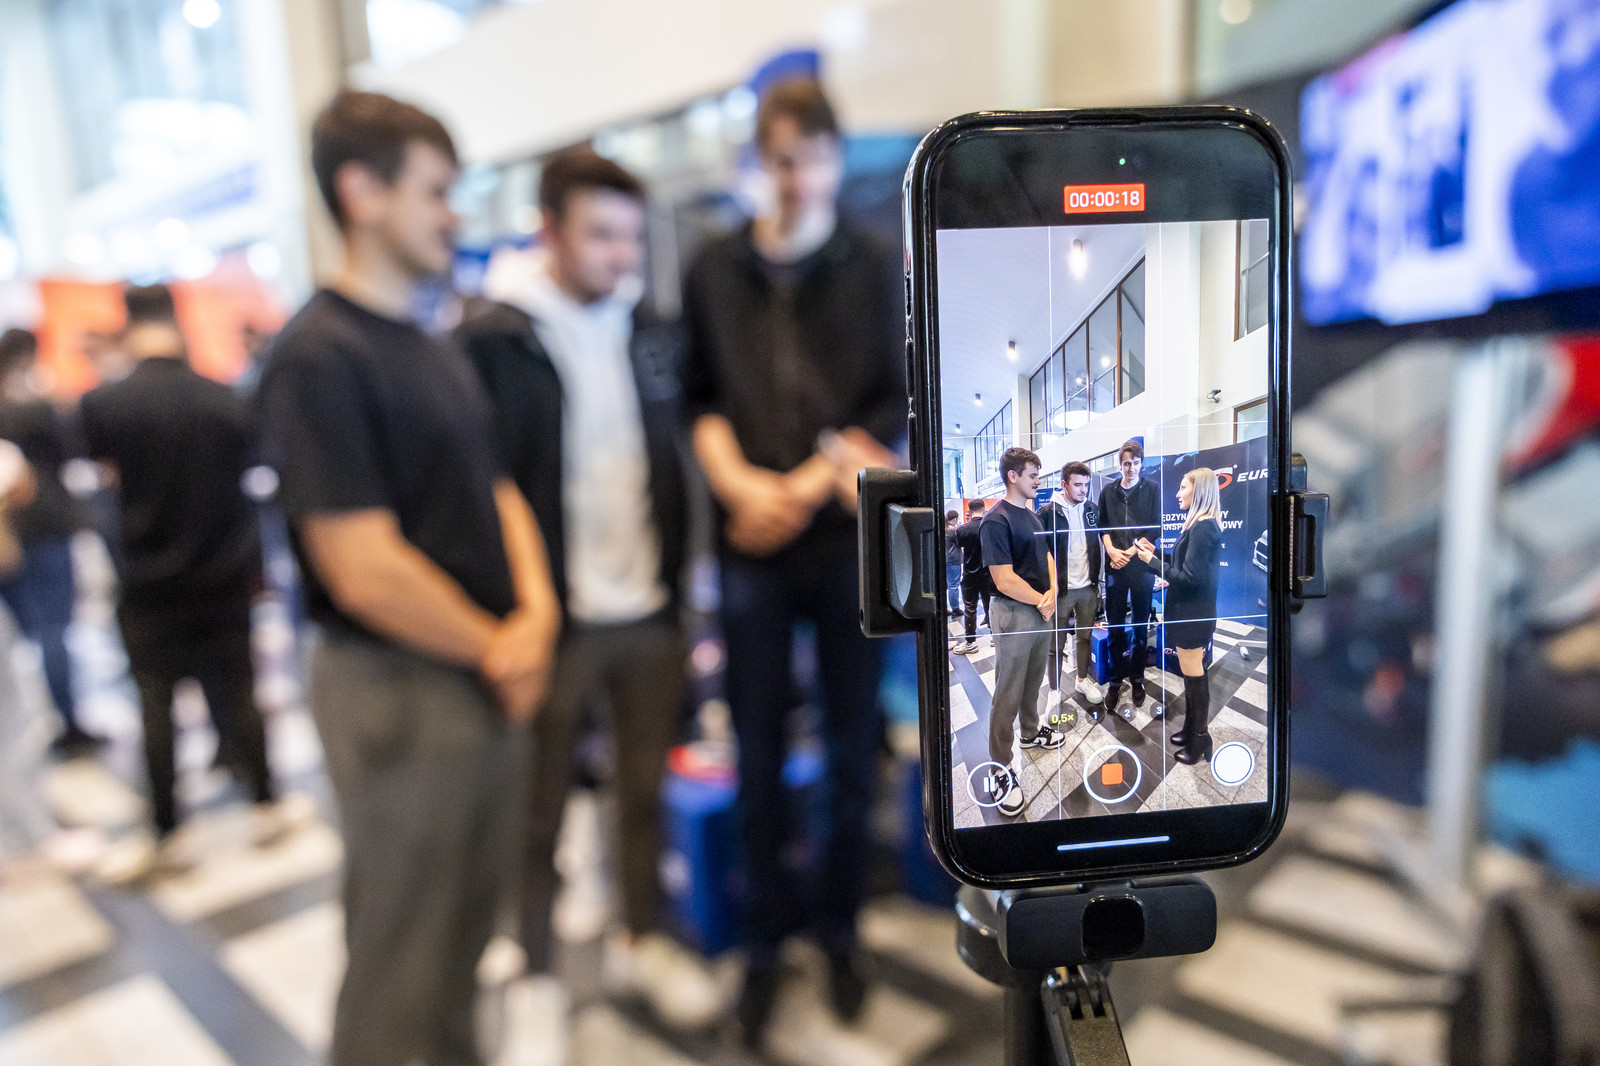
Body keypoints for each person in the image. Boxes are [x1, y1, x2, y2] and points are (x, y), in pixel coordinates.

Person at [256, 90, 560, 1066]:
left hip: (481, 675)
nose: (451, 215)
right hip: (399, 685)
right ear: (363, 192)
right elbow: (361, 565)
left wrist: (537, 614)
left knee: (465, 943)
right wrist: (501, 644)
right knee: (400, 961)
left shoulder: (430, 342)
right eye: (434, 191)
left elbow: (495, 489)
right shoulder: (318, 357)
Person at [455, 147, 718, 1035]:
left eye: (630, 237)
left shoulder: (646, 325)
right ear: (550, 232)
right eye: (601, 235)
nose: (620, 255)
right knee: (536, 814)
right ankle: (535, 977)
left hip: (648, 607)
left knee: (641, 797)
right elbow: (482, 488)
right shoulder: (496, 339)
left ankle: (641, 938)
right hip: (553, 620)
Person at [681, 77, 905, 1045]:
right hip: (750, 542)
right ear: (757, 163)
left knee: (853, 746)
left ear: (834, 160)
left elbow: (892, 402)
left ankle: (839, 927)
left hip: (838, 532)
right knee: (758, 747)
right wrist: (741, 488)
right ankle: (766, 941)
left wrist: (804, 486)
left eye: (811, 159)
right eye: (779, 160)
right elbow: (698, 396)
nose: (796, 179)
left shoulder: (874, 261)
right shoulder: (714, 268)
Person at [79, 285, 292, 881]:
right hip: (224, 573)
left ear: (128, 327)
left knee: (155, 705)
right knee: (241, 690)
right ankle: (266, 801)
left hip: (147, 580)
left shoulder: (105, 404)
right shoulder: (224, 398)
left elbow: (103, 484)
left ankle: (169, 827)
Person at [0, 328, 96, 754]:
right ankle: (68, 721)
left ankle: (48, 719)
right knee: (54, 629)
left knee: (30, 631)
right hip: (41, 527)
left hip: (14, 532)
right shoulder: (35, 406)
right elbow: (68, 449)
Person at [980, 448, 1061, 818]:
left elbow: (1047, 557)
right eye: (1033, 475)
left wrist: (1053, 591)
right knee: (1008, 690)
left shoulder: (1033, 516)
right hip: (1014, 612)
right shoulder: (995, 521)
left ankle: (1030, 732)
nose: (1038, 481)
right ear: (1013, 476)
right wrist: (1041, 600)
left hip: (1041, 608)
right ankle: (1000, 767)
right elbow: (1003, 578)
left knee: (1033, 681)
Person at [1136, 467, 1224, 764]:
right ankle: (1191, 729)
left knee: (1195, 676)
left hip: (1193, 615)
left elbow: (1188, 578)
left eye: (1183, 487)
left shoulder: (1203, 528)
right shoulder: (1199, 525)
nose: (1177, 493)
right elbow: (1182, 563)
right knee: (1190, 676)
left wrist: (1151, 563)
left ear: (1199, 491)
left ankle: (1200, 738)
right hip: (1191, 613)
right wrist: (1155, 553)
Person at [1097, 439, 1162, 720]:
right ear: (1120, 464)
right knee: (1114, 627)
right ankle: (1115, 681)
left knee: (1139, 627)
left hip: (1141, 567)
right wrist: (1112, 551)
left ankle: (1137, 679)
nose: (1131, 468)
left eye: (1135, 463)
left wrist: (1131, 551)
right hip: (1114, 566)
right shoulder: (1108, 492)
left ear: (1141, 463)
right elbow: (1102, 527)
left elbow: (1155, 527)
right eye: (1126, 463)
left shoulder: (1152, 489)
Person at [1042, 461, 1105, 709]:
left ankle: (1082, 680)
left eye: (1086, 485)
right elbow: (1042, 553)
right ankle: (1054, 690)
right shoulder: (1048, 513)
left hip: (1088, 587)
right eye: (1077, 484)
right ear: (1064, 485)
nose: (1083, 490)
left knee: (1084, 637)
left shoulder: (1091, 509)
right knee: (1055, 644)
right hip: (1061, 590)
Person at [951, 498, 991, 655]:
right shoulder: (990, 526)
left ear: (969, 511)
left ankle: (970, 642)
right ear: (983, 509)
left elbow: (959, 545)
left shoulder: (961, 529)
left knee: (970, 607)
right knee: (990, 605)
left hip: (970, 573)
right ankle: (994, 637)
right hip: (988, 573)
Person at [944, 510, 961, 613]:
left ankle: (944, 608)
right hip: (953, 560)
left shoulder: (943, 528)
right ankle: (955, 608)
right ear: (955, 519)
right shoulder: (954, 530)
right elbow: (960, 543)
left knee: (944, 585)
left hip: (944, 560)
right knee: (954, 585)